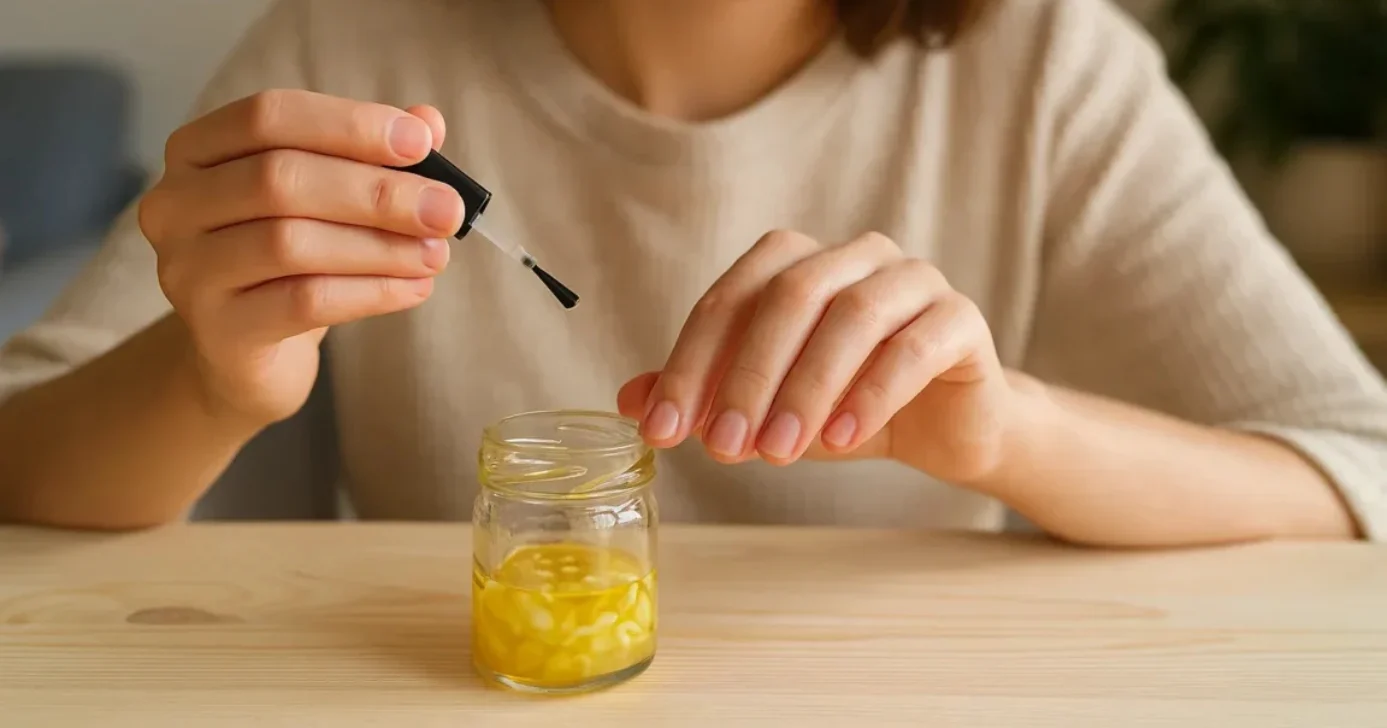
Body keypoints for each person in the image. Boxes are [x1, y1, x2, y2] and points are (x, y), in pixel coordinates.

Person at [1, 0, 1384, 546]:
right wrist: (214, 377)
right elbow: (21, 457)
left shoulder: (1046, 64)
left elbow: (1357, 467)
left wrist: (1005, 433)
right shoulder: (349, 43)